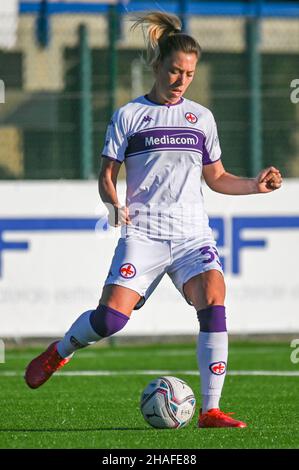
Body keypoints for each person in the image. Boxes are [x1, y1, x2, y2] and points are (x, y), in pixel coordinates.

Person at [25, 11, 282, 428]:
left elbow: (215, 177)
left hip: (190, 235)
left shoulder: (201, 119)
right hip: (144, 233)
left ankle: (210, 409)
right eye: (175, 71)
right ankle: (63, 349)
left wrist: (255, 184)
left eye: (190, 74)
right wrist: (113, 204)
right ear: (157, 66)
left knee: (215, 299)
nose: (181, 80)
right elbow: (107, 176)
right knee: (110, 320)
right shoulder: (129, 116)